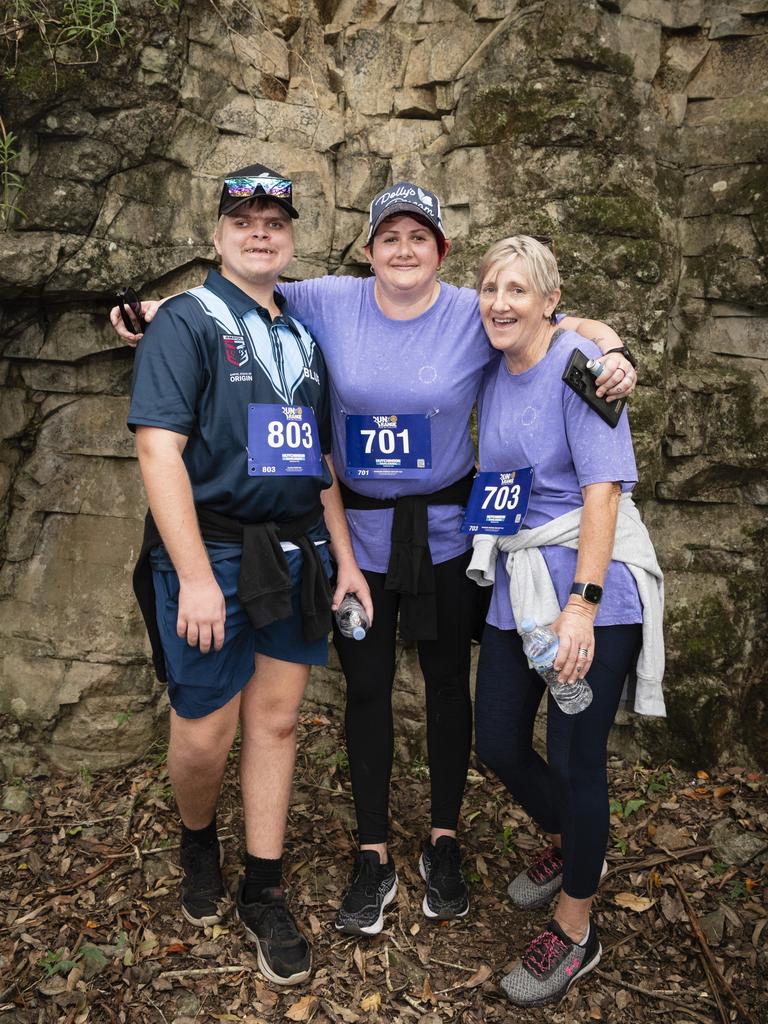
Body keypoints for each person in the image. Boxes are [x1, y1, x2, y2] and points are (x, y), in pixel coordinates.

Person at [113, 181, 639, 937]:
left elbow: (550, 319)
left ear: (441, 251)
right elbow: (242, 290)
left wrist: (611, 344)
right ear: (367, 249)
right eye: (388, 237)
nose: (402, 249)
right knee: (366, 688)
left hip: (452, 531)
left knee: (448, 690)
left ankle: (445, 841)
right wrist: (152, 316)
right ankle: (373, 850)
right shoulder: (328, 300)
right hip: (356, 538)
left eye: (418, 237)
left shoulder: (473, 306)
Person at [128, 164, 371, 986]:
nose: (260, 230)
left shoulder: (303, 337)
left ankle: (263, 889)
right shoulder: (189, 322)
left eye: (274, 219)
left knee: (276, 724)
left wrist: (345, 559)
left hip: (296, 550)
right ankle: (199, 836)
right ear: (218, 232)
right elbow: (157, 448)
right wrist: (194, 575)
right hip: (216, 552)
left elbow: (322, 460)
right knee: (207, 732)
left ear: (292, 234)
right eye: (244, 218)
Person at [466, 236, 664, 1007]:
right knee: (499, 741)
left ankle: (578, 929)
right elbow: (562, 315)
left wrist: (582, 607)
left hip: (589, 592)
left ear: (551, 300)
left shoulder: (581, 370)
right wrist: (598, 325)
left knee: (578, 759)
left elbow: (603, 493)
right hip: (521, 587)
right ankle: (580, 843)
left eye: (520, 289)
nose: (501, 301)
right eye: (490, 287)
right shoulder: (494, 360)